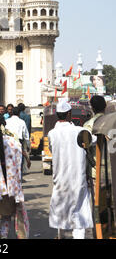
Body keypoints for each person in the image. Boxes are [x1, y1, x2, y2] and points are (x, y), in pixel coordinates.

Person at [48, 99, 93, 239]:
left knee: (62, 213)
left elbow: (51, 149)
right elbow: (94, 140)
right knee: (79, 214)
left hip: (61, 179)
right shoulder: (80, 131)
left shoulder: (52, 134)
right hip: (77, 179)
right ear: (69, 114)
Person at [0, 113, 29, 239]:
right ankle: (4, 236)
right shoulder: (13, 142)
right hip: (10, 187)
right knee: (6, 216)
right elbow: (19, 162)